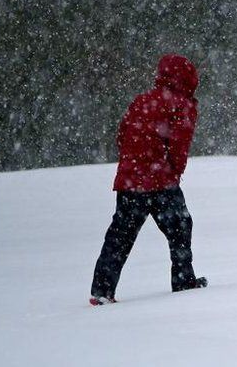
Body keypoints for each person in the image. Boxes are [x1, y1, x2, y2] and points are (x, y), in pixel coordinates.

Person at [89, 54, 207, 305]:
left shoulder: (142, 100)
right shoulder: (181, 104)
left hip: (132, 180)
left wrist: (135, 165)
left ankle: (102, 290)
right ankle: (184, 280)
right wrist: (173, 171)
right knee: (180, 229)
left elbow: (122, 135)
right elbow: (179, 144)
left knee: (120, 235)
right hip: (160, 180)